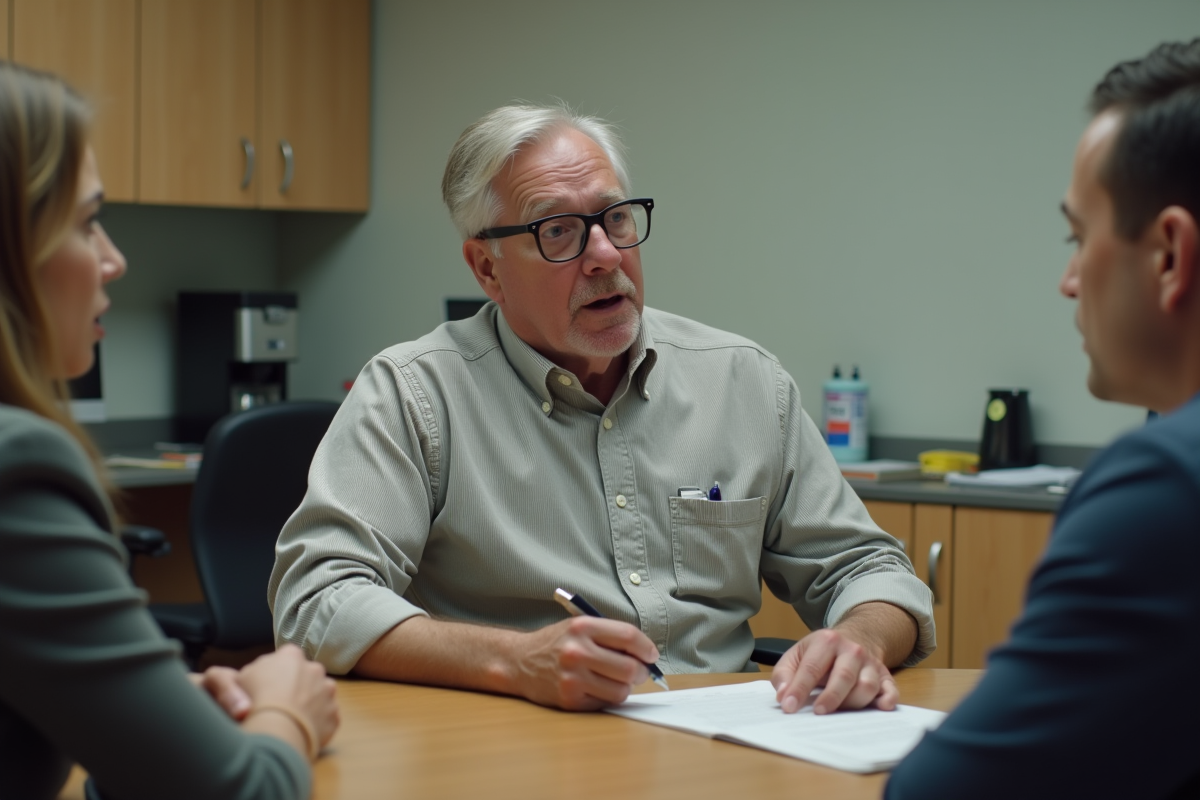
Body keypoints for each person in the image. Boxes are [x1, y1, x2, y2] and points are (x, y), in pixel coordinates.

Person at [270, 103, 935, 714]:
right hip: (517, 747)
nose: (605, 255)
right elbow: (316, 598)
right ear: (487, 269)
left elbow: (869, 569)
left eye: (615, 218)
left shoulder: (745, 383)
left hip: (725, 746)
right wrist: (513, 661)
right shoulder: (415, 395)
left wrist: (861, 640)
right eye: (558, 231)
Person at [0, 62, 339, 800]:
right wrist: (288, 709)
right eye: (85, 222)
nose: (114, 260)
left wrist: (150, 713)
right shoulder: (16, 465)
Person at [887, 39, 1200, 800]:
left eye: (1078, 238)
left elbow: (940, 793)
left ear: (1168, 256)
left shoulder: (1166, 487)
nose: (1068, 281)